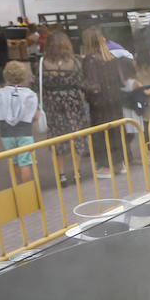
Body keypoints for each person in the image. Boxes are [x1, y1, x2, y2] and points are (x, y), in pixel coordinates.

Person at [40, 32, 89, 186]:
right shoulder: (74, 63)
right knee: (77, 136)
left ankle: (61, 175)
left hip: (52, 104)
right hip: (72, 102)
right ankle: (76, 172)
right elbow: (81, 83)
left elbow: (38, 84)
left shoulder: (43, 63)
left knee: (57, 139)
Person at [79, 27, 126, 177]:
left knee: (100, 134)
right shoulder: (110, 57)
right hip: (115, 100)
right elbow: (121, 81)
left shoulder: (89, 60)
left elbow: (91, 85)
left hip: (99, 105)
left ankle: (105, 167)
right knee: (116, 132)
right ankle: (119, 163)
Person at [0, 61, 39, 184]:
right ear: (24, 76)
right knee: (26, 162)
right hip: (25, 132)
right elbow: (36, 116)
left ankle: (20, 188)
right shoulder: (30, 95)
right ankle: (27, 189)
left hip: (6, 132)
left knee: (14, 161)